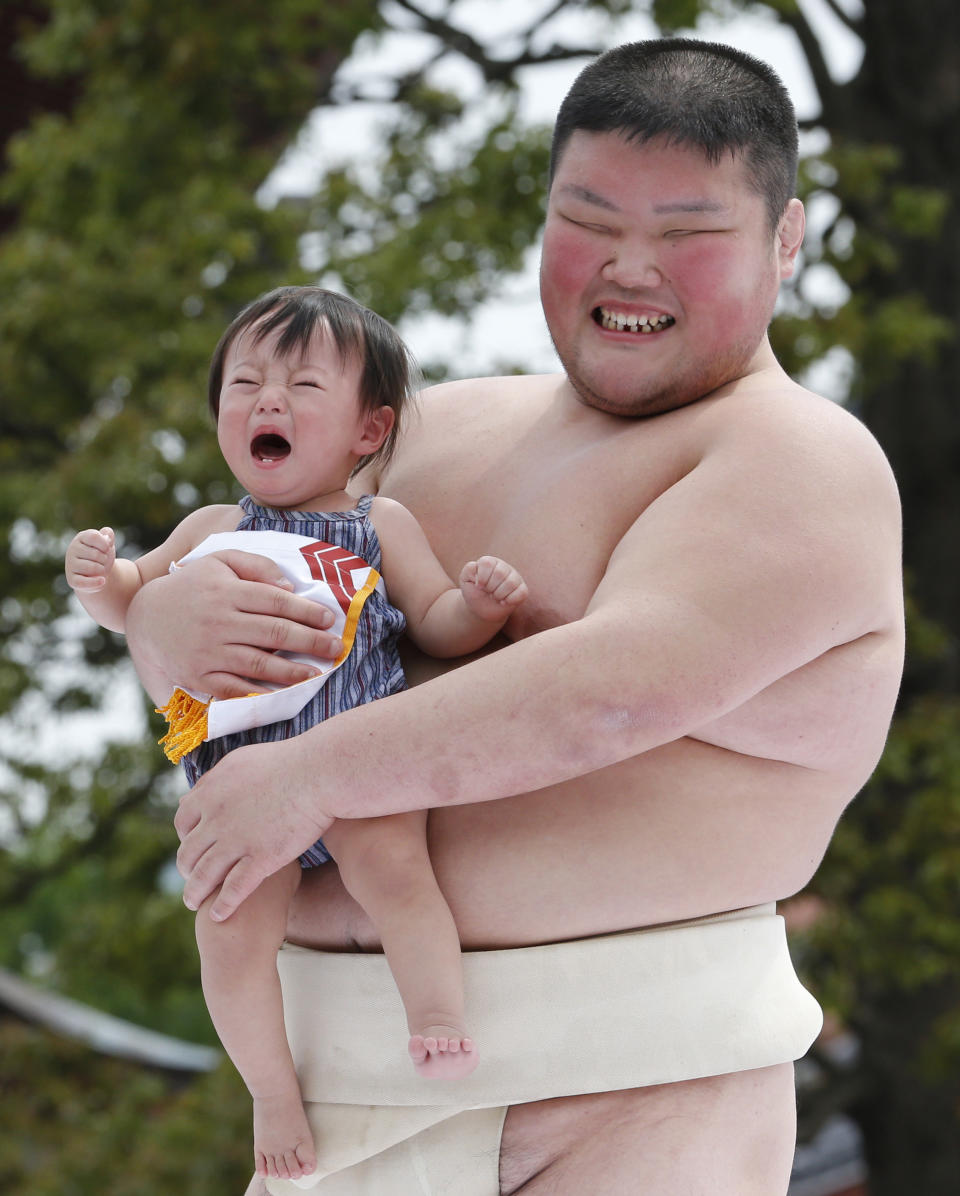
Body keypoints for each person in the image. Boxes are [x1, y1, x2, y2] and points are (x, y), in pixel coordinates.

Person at [123, 38, 904, 1196]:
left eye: (688, 235)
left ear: (785, 237)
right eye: (589, 219)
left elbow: (608, 693)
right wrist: (159, 629)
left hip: (622, 1106)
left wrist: (308, 779)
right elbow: (255, 659)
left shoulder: (800, 458)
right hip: (322, 1099)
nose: (630, 270)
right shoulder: (428, 427)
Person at [64, 286, 528, 1184]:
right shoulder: (209, 528)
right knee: (228, 933)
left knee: (400, 876)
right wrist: (101, 581)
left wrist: (478, 606)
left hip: (356, 763)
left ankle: (436, 1014)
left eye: (303, 386)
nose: (267, 401)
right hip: (239, 777)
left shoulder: (377, 524)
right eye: (246, 383)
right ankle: (270, 1091)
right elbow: (133, 607)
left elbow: (431, 623)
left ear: (368, 431)